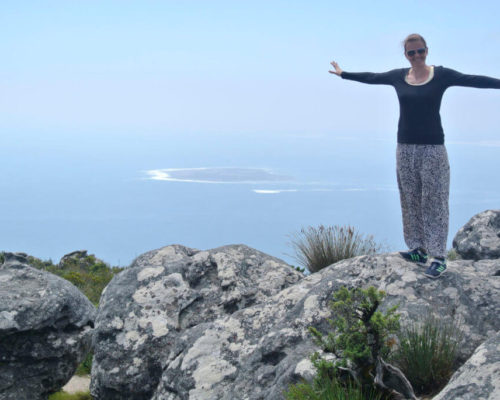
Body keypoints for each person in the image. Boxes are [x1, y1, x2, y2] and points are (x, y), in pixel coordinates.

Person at [329, 33, 500, 278]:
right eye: (412, 53)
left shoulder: (441, 75)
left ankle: (438, 256)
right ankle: (418, 249)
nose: (417, 56)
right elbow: (372, 77)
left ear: (427, 51)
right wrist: (344, 74)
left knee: (435, 200)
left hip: (433, 148)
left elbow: (473, 80)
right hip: (405, 147)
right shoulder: (399, 76)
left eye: (420, 51)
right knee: (409, 198)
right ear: (406, 55)